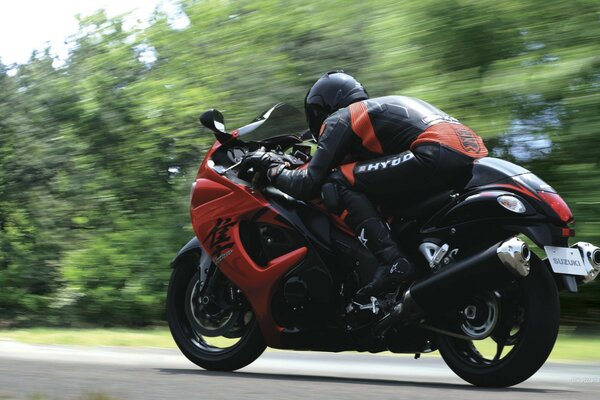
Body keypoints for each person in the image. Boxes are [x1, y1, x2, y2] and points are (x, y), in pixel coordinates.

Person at [243, 71, 488, 301]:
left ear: (322, 108)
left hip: (433, 152)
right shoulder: (375, 111)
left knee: (336, 181)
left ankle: (393, 262)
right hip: (463, 152)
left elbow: (308, 184)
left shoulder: (341, 117)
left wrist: (272, 168)